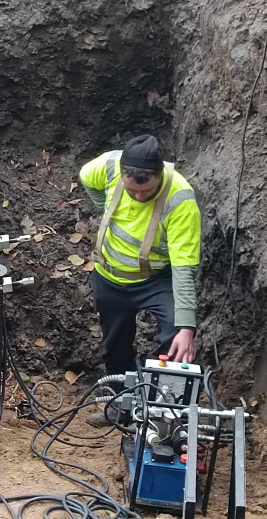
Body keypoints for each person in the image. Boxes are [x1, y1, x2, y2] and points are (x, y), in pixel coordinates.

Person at [79, 135, 201, 426]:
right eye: (132, 191)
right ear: (123, 175)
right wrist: (105, 208)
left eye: (146, 191)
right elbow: (86, 177)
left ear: (159, 176)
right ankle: (120, 409)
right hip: (110, 277)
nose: (139, 197)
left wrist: (187, 326)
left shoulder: (180, 199)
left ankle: (160, 412)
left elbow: (184, 267)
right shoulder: (109, 167)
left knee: (175, 337)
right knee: (116, 345)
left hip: (155, 281)